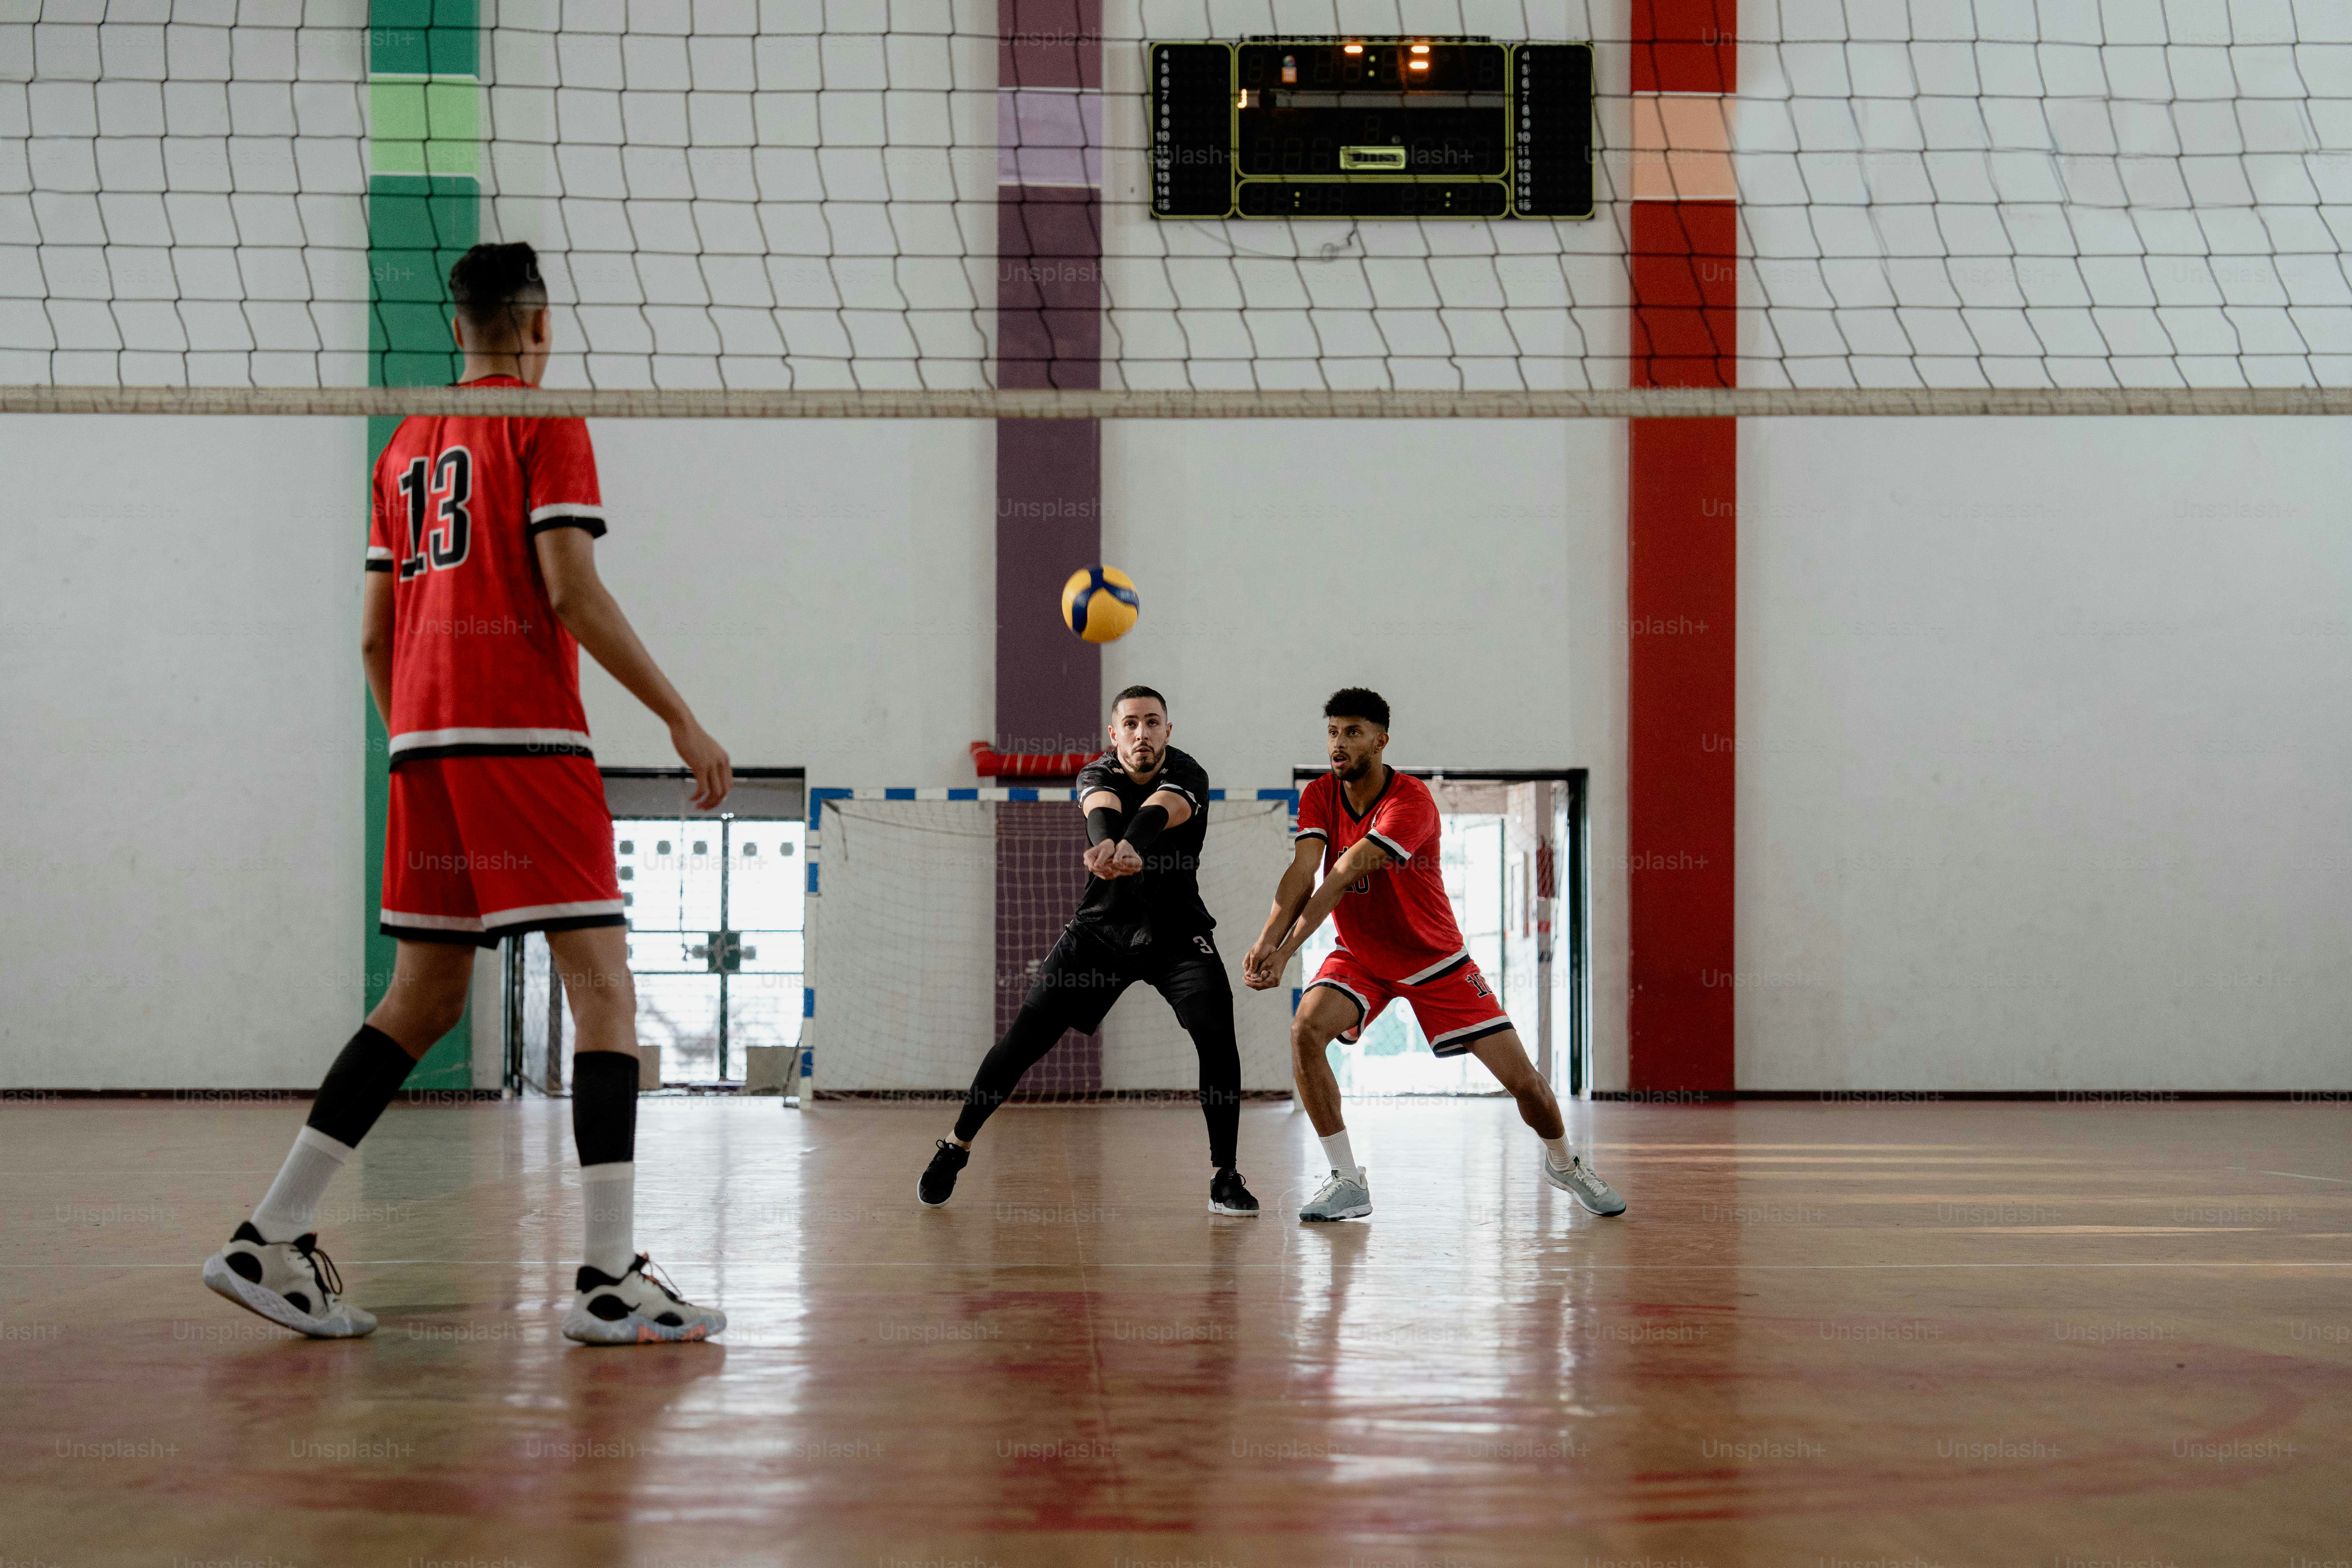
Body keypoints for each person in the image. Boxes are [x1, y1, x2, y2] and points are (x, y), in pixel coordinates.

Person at [201, 241, 732, 1344]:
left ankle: (269, 1235)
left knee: (424, 998)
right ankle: (605, 1280)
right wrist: (681, 716)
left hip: (421, 746)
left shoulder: (402, 445)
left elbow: (368, 635)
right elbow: (571, 594)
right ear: (538, 328)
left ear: (461, 329)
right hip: (522, 739)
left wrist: (423, 743)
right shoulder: (546, 418)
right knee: (604, 992)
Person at [1243, 688, 1627, 1223]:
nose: (1339, 743)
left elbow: (1344, 873)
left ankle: (1564, 1164)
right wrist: (1267, 938)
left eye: (1353, 732)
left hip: (1435, 961)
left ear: (1381, 740)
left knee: (1525, 1083)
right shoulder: (1319, 797)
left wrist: (1286, 953)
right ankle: (1348, 1180)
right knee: (1306, 1029)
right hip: (1360, 957)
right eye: (1333, 732)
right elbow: (1305, 871)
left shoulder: (1411, 801)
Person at [918, 686, 1260, 1216]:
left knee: (1217, 1036)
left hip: (1177, 934)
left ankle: (1224, 1177)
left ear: (1168, 731)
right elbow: (1102, 808)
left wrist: (1130, 847)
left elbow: (1158, 811)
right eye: (1131, 724)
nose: (1142, 733)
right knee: (1022, 1042)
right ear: (1114, 734)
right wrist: (1106, 844)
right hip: (1100, 934)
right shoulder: (1096, 772)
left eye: (1152, 723)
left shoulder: (1189, 775)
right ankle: (956, 1146)